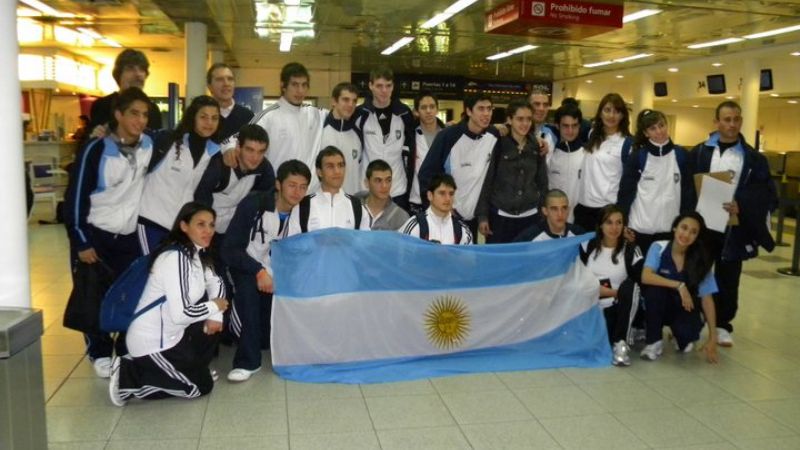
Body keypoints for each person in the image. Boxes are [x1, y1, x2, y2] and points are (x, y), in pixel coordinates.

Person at [64, 87, 154, 378]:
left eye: (144, 115)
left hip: (127, 236)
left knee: (126, 294)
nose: (139, 120)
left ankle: (125, 350)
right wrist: (80, 239)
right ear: (118, 114)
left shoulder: (149, 146)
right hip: (96, 234)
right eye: (133, 113)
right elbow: (76, 195)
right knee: (93, 296)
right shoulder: (97, 148)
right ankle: (99, 352)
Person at [109, 202, 229, 405]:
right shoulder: (176, 258)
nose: (208, 230)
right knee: (199, 388)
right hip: (152, 341)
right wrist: (214, 306)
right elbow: (181, 314)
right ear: (184, 226)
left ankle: (184, 371)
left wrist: (215, 315)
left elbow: (216, 281)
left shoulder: (196, 253)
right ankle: (128, 380)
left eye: (211, 225)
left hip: (173, 335)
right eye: (200, 224)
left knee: (210, 333)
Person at [689, 100, 777, 347]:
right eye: (726, 119)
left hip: (733, 228)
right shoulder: (699, 152)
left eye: (736, 119)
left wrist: (743, 206)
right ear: (716, 122)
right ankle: (695, 318)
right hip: (703, 225)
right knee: (697, 272)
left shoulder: (753, 158)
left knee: (729, 277)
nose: (732, 124)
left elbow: (767, 194)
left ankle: (722, 324)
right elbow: (687, 187)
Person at [221, 160, 311, 382]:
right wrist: (258, 271)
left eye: (303, 186)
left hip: (281, 272)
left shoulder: (306, 212)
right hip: (246, 267)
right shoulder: (254, 205)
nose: (297, 192)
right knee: (248, 302)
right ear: (279, 184)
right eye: (292, 185)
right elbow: (230, 249)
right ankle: (247, 362)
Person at [137, 96, 221, 254]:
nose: (209, 123)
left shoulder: (212, 153)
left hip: (179, 229)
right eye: (203, 117)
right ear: (192, 117)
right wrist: (108, 131)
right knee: (151, 271)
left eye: (214, 118)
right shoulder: (167, 141)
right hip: (151, 221)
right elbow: (134, 137)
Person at [222, 62, 324, 192]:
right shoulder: (268, 116)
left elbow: (340, 113)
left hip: (309, 195)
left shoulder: (317, 114)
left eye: (304, 85)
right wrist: (229, 148)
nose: (300, 90)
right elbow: (235, 138)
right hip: (278, 194)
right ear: (283, 85)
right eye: (295, 85)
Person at [639, 212, 719, 364]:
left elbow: (707, 299)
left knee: (686, 342)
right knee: (654, 290)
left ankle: (679, 334)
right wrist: (679, 285)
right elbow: (646, 276)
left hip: (685, 308)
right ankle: (654, 342)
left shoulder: (701, 260)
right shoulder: (658, 247)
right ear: (675, 228)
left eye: (693, 232)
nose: (687, 234)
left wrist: (712, 337)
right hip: (660, 304)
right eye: (684, 228)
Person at [418, 92, 500, 240]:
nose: (486, 114)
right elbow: (425, 175)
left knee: (468, 260)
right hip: (447, 215)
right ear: (469, 111)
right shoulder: (448, 136)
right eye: (481, 109)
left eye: (489, 109)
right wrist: (437, 208)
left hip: (474, 218)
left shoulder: (494, 135)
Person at [619, 109, 694, 255]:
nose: (659, 131)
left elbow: (688, 194)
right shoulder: (638, 157)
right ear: (646, 133)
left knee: (663, 275)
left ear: (667, 125)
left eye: (661, 125)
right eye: (653, 128)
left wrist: (686, 224)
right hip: (639, 230)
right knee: (639, 275)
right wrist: (623, 223)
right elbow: (625, 193)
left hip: (670, 231)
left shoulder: (681, 155)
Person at [579, 205, 643, 367]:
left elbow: (638, 286)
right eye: (609, 222)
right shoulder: (587, 246)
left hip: (616, 307)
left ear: (624, 225)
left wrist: (613, 293)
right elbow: (578, 278)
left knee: (630, 286)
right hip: (591, 307)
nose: (614, 228)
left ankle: (621, 343)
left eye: (619, 223)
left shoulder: (631, 250)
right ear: (600, 224)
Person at [476, 99, 547, 243]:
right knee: (496, 261)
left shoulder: (536, 145)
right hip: (500, 216)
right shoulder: (497, 143)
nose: (525, 123)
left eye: (528, 119)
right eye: (520, 119)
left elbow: (542, 182)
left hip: (530, 217)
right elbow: (487, 181)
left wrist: (543, 211)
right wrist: (482, 216)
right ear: (509, 119)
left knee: (525, 263)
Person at [194, 124, 275, 236]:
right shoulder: (217, 167)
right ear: (238, 146)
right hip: (207, 229)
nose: (255, 157)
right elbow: (199, 204)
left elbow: (266, 203)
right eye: (249, 150)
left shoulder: (265, 170)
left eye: (261, 151)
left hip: (235, 230)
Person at [355, 66, 415, 210]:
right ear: (370, 86)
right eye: (379, 86)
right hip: (368, 189)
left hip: (397, 189)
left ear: (393, 87)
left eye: (388, 86)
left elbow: (417, 133)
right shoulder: (360, 114)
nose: (384, 90)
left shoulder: (404, 113)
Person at [573, 93, 633, 231]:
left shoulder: (627, 144)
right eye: (607, 110)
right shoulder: (591, 135)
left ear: (623, 115)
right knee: (583, 252)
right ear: (600, 113)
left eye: (616, 111)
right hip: (583, 207)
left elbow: (630, 185)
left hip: (607, 211)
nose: (611, 116)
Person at [285, 146, 370, 235]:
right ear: (319, 172)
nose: (337, 171)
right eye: (330, 166)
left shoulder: (357, 207)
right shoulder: (302, 207)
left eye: (340, 165)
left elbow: (364, 245)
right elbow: (293, 246)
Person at [88, 49, 162, 136]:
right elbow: (88, 143)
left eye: (142, 69)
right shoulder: (102, 106)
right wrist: (93, 137)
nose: (138, 74)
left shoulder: (153, 110)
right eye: (130, 69)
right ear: (118, 75)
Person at [400, 173, 472, 245]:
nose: (448, 198)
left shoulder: (462, 230)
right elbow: (402, 254)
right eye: (442, 193)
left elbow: (468, 256)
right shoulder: (415, 225)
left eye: (451, 193)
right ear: (430, 196)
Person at [320, 82, 364, 195]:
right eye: (345, 99)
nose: (350, 105)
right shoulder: (320, 130)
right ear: (334, 101)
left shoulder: (358, 134)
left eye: (354, 101)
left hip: (351, 203)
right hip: (324, 203)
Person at [547, 103, 586, 223]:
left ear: (579, 126)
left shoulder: (588, 155)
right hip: (553, 222)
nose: (570, 130)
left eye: (574, 125)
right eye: (565, 126)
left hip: (579, 221)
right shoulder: (549, 154)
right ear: (557, 126)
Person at [409, 91, 445, 215]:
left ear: (437, 109)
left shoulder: (447, 135)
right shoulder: (409, 136)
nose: (428, 111)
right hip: (416, 200)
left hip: (441, 201)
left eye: (432, 106)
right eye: (423, 107)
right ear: (416, 111)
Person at [355, 159, 410, 230]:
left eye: (388, 180)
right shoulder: (353, 205)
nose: (384, 186)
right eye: (378, 180)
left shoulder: (401, 217)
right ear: (367, 183)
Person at [207, 63, 254, 140]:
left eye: (230, 79)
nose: (226, 84)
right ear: (209, 86)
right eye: (220, 79)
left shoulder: (248, 116)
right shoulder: (202, 117)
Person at [514, 189, 584, 242]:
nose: (560, 214)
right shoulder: (530, 237)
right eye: (554, 209)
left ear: (568, 210)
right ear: (545, 211)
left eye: (564, 208)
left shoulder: (578, 233)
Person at [528, 88, 558, 154]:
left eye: (545, 105)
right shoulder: (515, 131)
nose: (541, 109)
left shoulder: (555, 132)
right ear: (528, 106)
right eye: (537, 104)